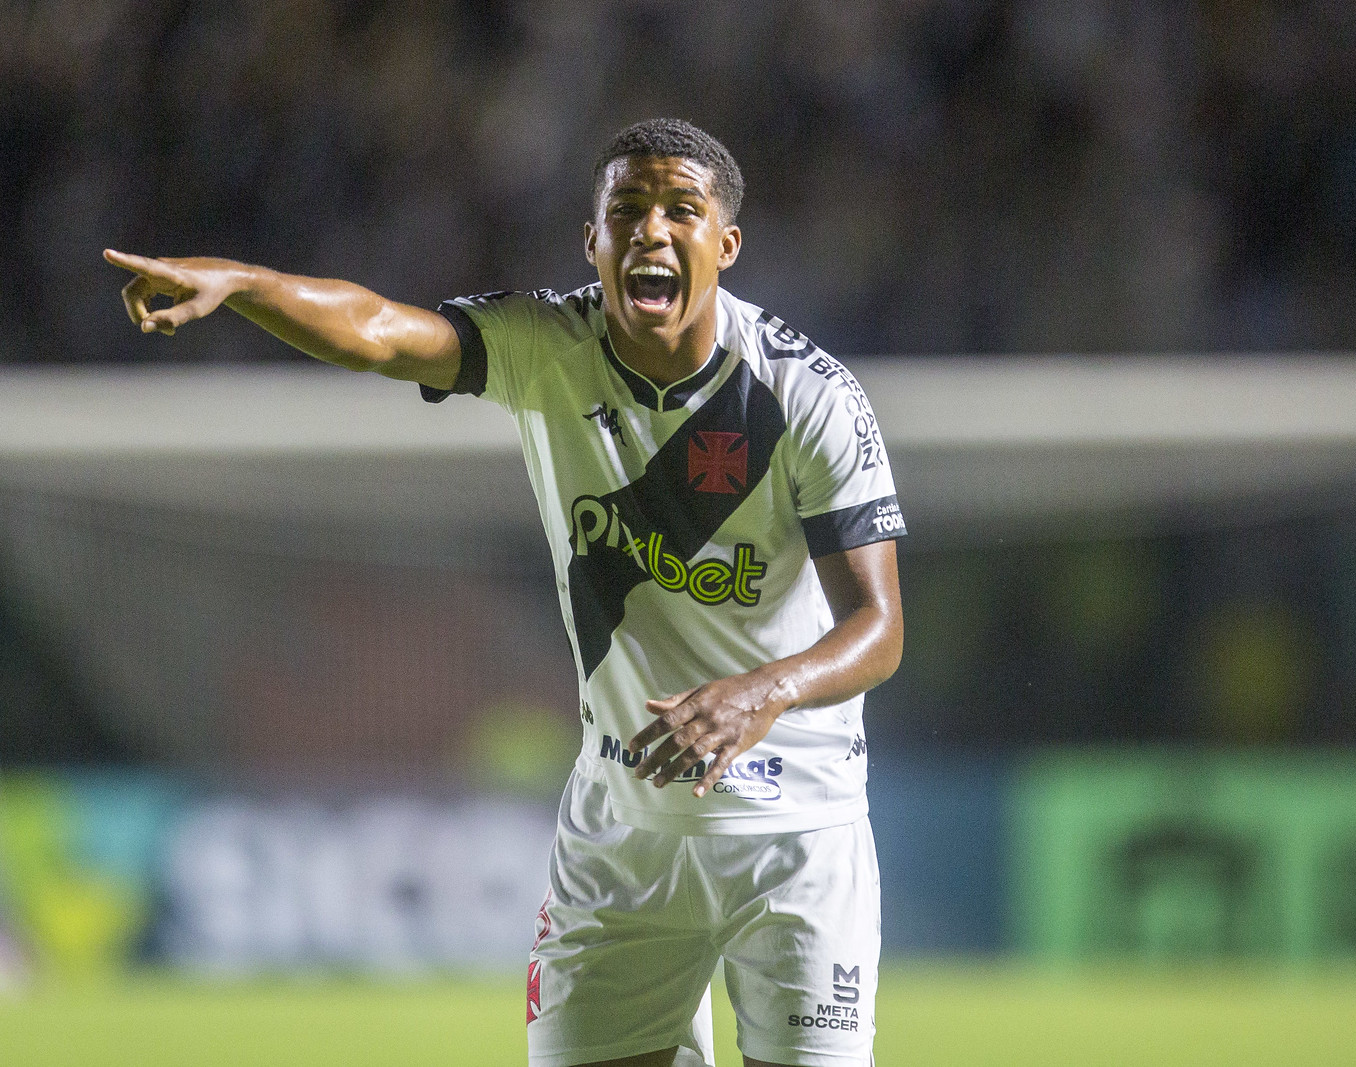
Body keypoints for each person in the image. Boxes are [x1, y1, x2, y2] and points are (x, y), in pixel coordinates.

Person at [106, 117, 905, 1067]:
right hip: (623, 832)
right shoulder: (545, 343)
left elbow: (879, 626)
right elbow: (378, 331)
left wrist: (758, 692)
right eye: (627, 211)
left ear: (724, 245)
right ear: (593, 242)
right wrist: (243, 284)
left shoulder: (805, 395)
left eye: (680, 211)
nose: (651, 230)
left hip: (794, 831)